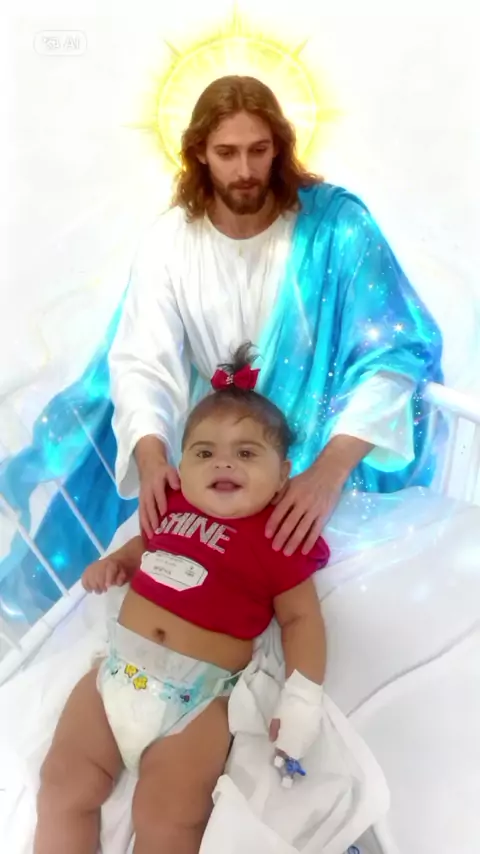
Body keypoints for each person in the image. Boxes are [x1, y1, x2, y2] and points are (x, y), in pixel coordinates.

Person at [108, 74, 443, 558]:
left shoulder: (337, 228)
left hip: (326, 471)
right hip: (218, 473)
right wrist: (152, 456)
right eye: (227, 153)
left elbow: (395, 353)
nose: (245, 170)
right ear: (199, 152)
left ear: (279, 148)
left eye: (259, 150)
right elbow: (143, 362)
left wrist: (326, 474)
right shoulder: (168, 242)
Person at [34, 345, 329, 854]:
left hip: (193, 701)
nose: (223, 463)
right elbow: (143, 547)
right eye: (204, 453)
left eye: (246, 453)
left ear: (283, 477)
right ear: (181, 465)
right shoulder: (170, 506)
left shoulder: (277, 535)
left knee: (169, 820)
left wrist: (302, 698)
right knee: (61, 784)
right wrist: (117, 563)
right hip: (116, 675)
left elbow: (302, 619)